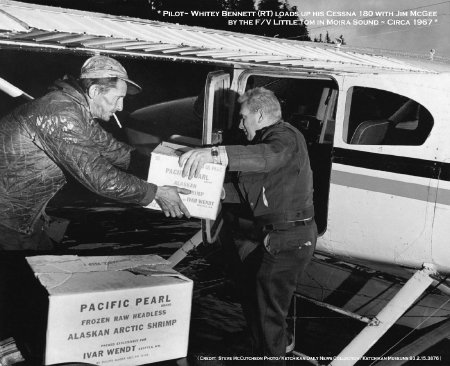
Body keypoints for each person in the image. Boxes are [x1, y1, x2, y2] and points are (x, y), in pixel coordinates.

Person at [179, 87, 317, 360]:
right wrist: (211, 193)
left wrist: (214, 154)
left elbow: (269, 157)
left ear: (261, 115)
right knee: (255, 304)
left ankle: (270, 355)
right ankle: (262, 351)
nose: (241, 125)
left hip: (287, 238)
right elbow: (249, 188)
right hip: (270, 235)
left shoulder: (284, 138)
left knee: (268, 316)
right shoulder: (263, 142)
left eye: (244, 118)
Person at [0, 55, 190, 251]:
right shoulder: (60, 113)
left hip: (22, 219)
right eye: (118, 98)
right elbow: (100, 178)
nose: (120, 107)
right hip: (7, 223)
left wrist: (172, 167)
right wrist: (156, 192)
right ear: (95, 90)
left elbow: (115, 151)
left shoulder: (73, 109)